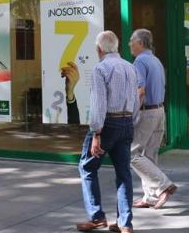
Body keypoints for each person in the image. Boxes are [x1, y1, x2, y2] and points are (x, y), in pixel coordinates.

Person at [76, 31, 138, 233]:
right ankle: (125, 223)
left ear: (99, 49)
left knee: (87, 167)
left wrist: (96, 133)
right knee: (123, 173)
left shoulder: (100, 69)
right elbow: (136, 101)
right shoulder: (130, 67)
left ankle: (97, 216)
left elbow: (98, 104)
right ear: (117, 46)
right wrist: (130, 122)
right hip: (127, 121)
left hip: (108, 124)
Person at [128, 29, 177, 210]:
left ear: (140, 43)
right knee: (149, 155)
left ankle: (164, 186)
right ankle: (149, 197)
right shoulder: (156, 60)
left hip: (147, 113)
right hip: (159, 111)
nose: (129, 45)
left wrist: (131, 114)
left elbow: (140, 91)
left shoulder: (140, 61)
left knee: (131, 154)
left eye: (131, 41)